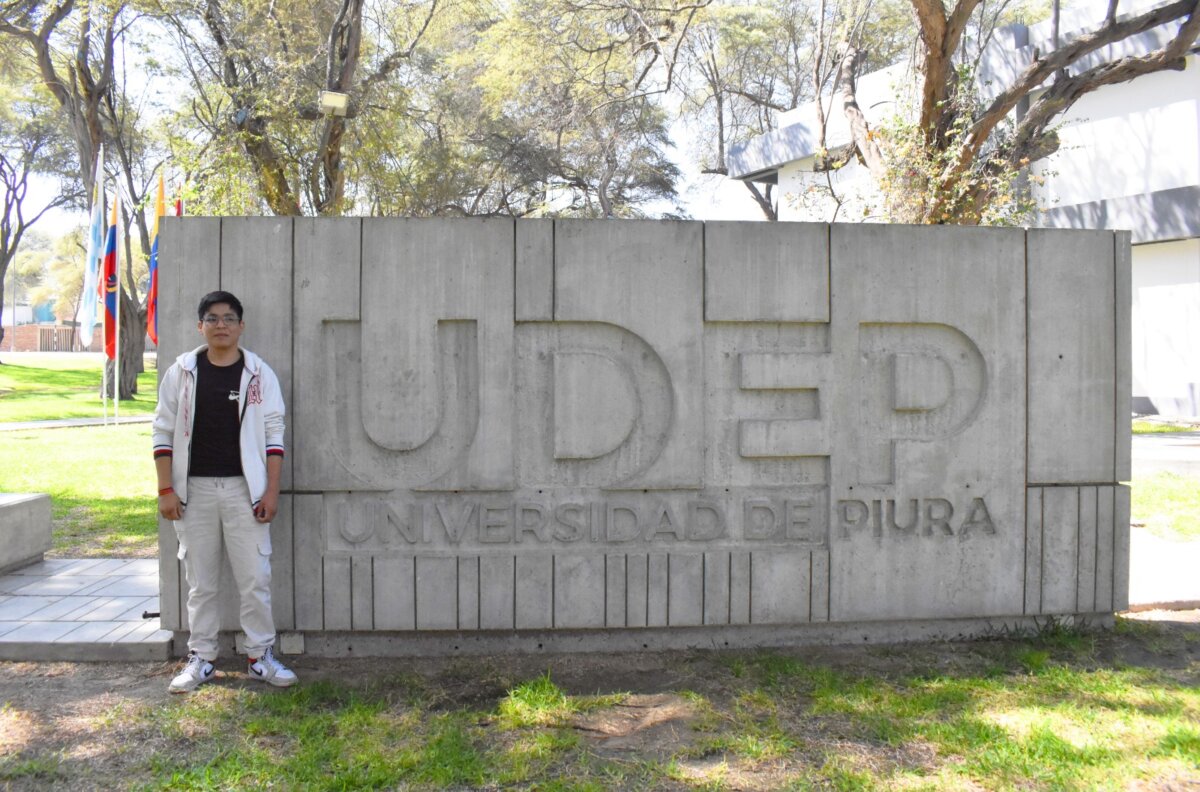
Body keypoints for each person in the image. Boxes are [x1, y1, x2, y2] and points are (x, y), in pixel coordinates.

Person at [153, 290, 297, 693]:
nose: (221, 325)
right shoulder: (182, 371)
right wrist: (166, 488)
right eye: (212, 318)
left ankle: (259, 656)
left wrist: (271, 491)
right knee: (201, 582)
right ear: (201, 325)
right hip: (192, 492)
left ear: (241, 326)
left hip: (244, 491)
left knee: (255, 578)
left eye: (229, 318)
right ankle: (202, 658)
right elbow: (162, 430)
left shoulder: (258, 373)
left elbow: (274, 434)